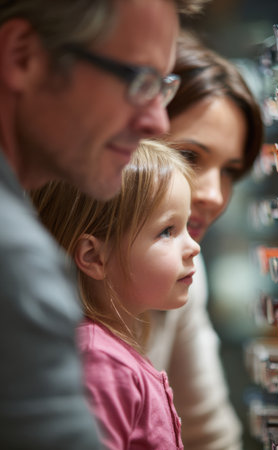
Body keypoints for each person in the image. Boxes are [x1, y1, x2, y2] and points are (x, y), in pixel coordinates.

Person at [0, 1, 208, 448]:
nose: (158, 121)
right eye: (137, 80)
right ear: (22, 57)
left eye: (163, 87)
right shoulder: (13, 254)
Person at [31, 139, 201, 449]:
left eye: (187, 225)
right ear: (94, 257)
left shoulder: (114, 353)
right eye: (167, 231)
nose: (193, 246)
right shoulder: (102, 361)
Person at [146, 31, 263, 450]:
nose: (214, 195)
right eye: (191, 156)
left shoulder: (183, 271)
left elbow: (207, 431)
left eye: (230, 170)